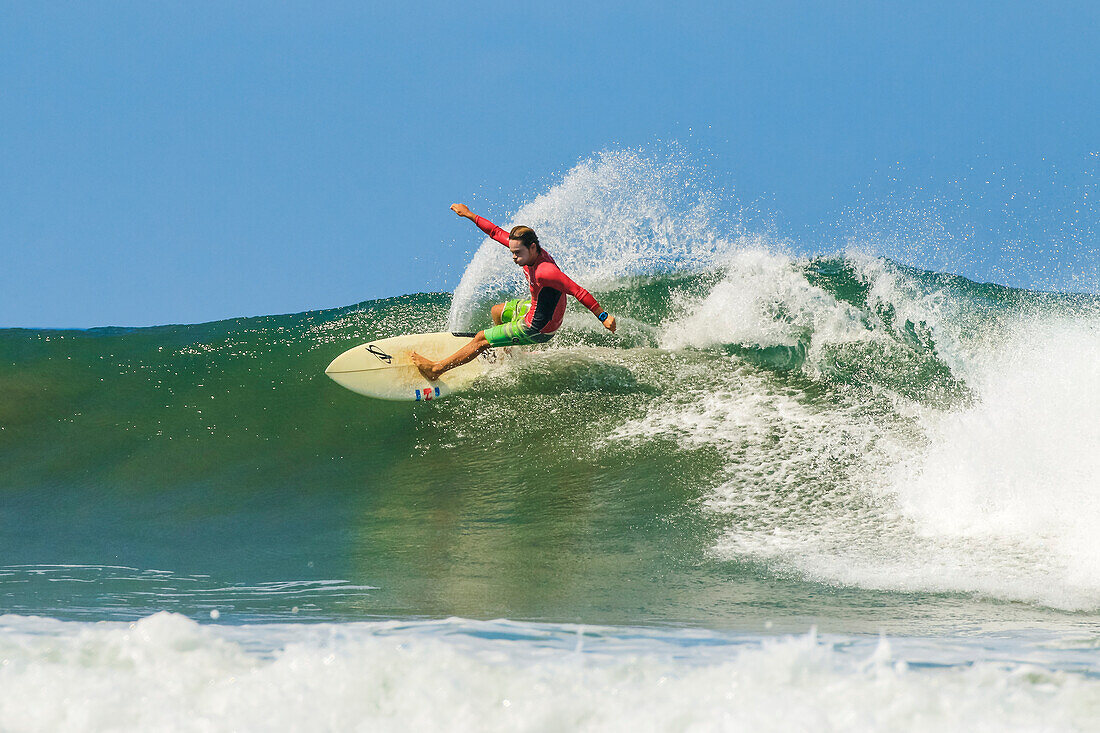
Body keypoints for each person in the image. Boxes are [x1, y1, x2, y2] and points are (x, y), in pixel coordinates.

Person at [410, 203, 616, 381]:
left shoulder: (546, 271)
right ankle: (506, 352)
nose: (514, 257)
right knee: (497, 312)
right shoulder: (528, 252)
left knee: (481, 339)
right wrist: (470, 214)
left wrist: (604, 317)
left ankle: (436, 369)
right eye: (512, 252)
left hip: (538, 327)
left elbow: (577, 291)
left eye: (518, 253)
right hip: (534, 310)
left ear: (533, 248)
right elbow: (495, 232)